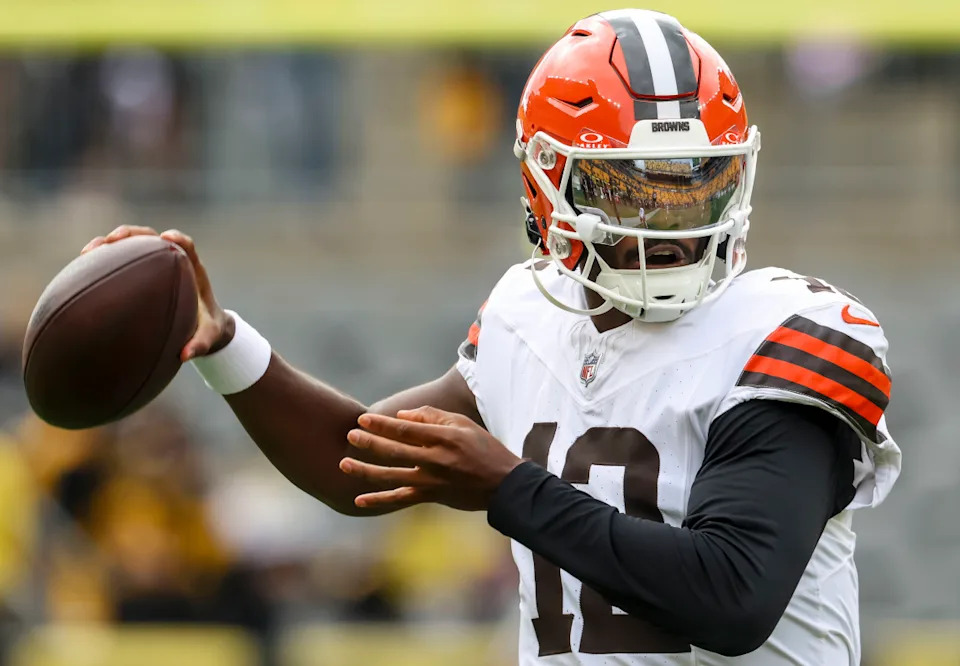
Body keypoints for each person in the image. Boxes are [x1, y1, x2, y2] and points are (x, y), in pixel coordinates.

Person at [82, 8, 900, 664]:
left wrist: (513, 489)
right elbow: (358, 460)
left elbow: (732, 596)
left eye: (698, 184)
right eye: (631, 191)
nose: (674, 225)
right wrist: (222, 344)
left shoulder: (784, 331)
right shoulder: (526, 316)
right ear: (547, 185)